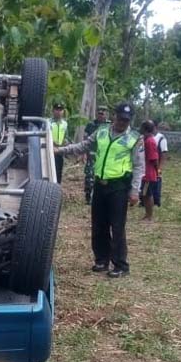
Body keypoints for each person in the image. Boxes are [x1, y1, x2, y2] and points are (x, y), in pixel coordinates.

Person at [56, 102, 145, 278]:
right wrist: (59, 151)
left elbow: (139, 166)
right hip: (100, 184)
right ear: (115, 116)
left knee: (117, 226)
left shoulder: (135, 138)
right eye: (120, 119)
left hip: (119, 186)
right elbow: (82, 146)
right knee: (99, 225)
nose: (122, 123)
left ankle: (120, 265)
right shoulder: (102, 131)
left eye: (126, 120)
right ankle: (101, 260)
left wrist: (135, 191)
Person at [83, 106, 110, 204]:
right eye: (99, 112)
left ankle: (101, 197)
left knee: (103, 177)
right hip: (92, 154)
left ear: (106, 114)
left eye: (103, 113)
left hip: (105, 156)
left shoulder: (110, 125)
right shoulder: (91, 125)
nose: (100, 114)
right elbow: (85, 139)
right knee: (89, 177)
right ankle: (88, 197)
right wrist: (83, 154)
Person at [140, 120, 159, 221]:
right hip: (145, 172)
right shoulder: (146, 140)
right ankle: (147, 214)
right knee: (145, 194)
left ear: (145, 129)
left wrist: (157, 171)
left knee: (147, 195)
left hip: (148, 174)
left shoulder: (150, 141)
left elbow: (154, 159)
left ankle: (149, 215)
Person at [49, 103, 68, 184]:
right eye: (57, 110)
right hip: (50, 150)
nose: (59, 112)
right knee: (50, 171)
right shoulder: (48, 122)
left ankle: (57, 188)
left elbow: (66, 137)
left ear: (63, 111)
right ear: (53, 111)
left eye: (60, 110)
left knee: (58, 171)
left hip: (60, 151)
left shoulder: (65, 123)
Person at [152, 122, 168, 207]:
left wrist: (160, 167)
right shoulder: (146, 136)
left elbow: (164, 153)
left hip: (156, 164)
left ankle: (156, 201)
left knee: (156, 182)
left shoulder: (161, 138)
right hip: (147, 164)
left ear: (155, 127)